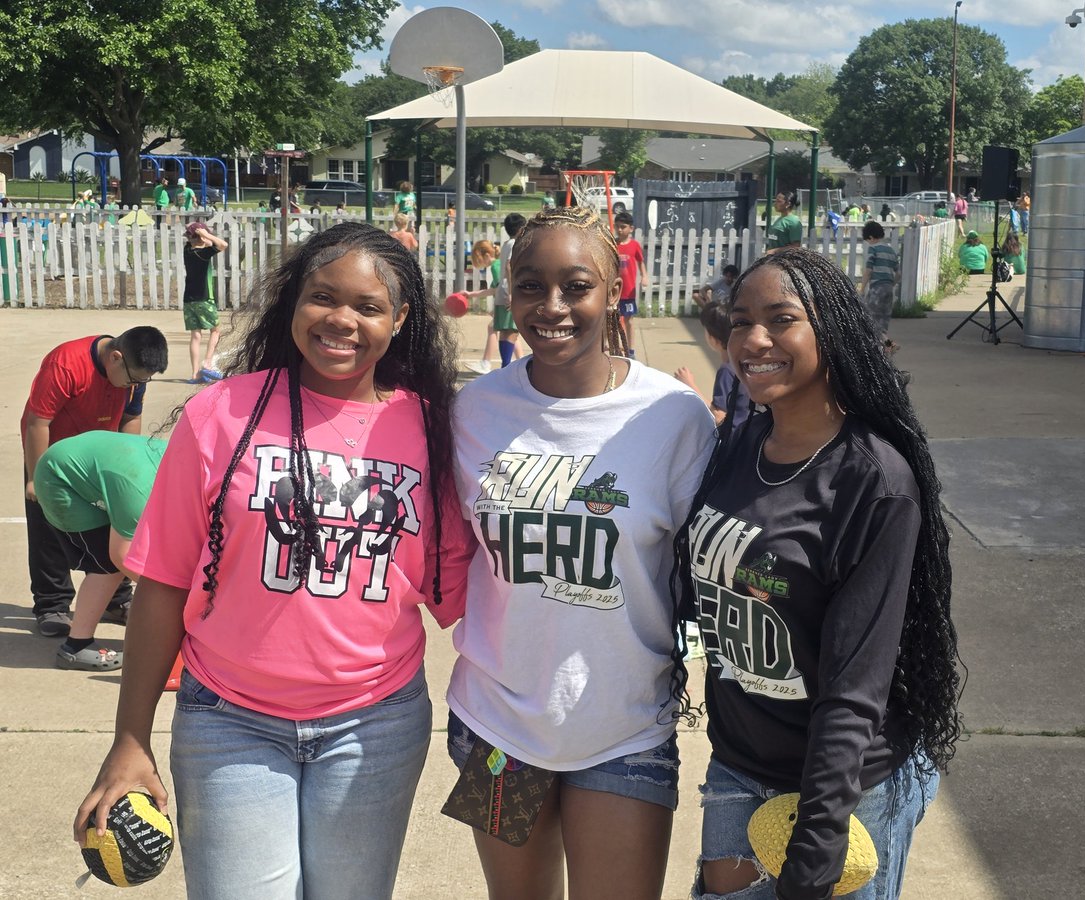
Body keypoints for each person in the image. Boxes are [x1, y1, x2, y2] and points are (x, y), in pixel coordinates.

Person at [73, 222, 473, 899]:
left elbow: (469, 590)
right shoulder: (219, 413)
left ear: (401, 319)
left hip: (375, 725)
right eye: (323, 297)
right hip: (228, 720)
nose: (341, 320)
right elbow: (163, 584)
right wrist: (130, 739)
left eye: (368, 306)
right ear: (294, 300)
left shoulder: (432, 430)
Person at [447, 205, 715, 900]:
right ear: (510, 292)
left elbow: (704, 562)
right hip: (497, 728)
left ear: (614, 290)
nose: (553, 306)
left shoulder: (673, 417)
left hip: (625, 728)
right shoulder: (472, 412)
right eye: (531, 286)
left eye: (576, 286)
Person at [680, 246, 962, 900]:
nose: (754, 340)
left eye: (782, 320)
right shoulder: (741, 445)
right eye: (741, 321)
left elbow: (855, 688)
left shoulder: (874, 483)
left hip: (846, 785)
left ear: (830, 332)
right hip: (740, 765)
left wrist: (815, 850)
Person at [22, 327, 169, 637]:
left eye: (143, 381)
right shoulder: (66, 363)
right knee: (47, 531)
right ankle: (52, 605)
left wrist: (128, 467)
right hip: (53, 460)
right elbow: (37, 422)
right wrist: (35, 478)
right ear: (115, 358)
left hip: (101, 463)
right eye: (133, 379)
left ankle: (116, 600)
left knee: (120, 528)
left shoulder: (132, 375)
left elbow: (131, 418)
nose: (136, 386)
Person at [34, 431, 168, 671]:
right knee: (106, 566)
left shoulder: (175, 466)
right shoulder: (138, 490)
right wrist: (170, 593)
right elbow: (122, 556)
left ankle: (111, 607)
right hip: (59, 479)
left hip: (99, 465)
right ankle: (76, 647)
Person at [674, 300, 752, 429]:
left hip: (734, 437)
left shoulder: (727, 371)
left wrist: (690, 385)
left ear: (713, 338)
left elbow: (719, 415)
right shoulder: (744, 363)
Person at [467, 213, 526, 373]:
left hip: (502, 292)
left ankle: (508, 365)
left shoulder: (506, 244)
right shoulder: (514, 244)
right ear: (521, 229)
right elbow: (509, 266)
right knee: (510, 330)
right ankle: (506, 366)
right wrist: (512, 293)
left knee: (507, 331)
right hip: (508, 291)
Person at [182, 221, 228, 384]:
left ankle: (195, 374)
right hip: (204, 299)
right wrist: (206, 234)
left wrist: (198, 233)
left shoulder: (187, 250)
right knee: (215, 330)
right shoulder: (204, 254)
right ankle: (207, 363)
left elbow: (206, 243)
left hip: (189, 300)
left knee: (195, 335)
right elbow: (222, 244)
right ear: (201, 237)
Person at [859, 220, 900, 352]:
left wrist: (862, 288)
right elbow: (898, 273)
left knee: (870, 318)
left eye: (867, 240)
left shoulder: (873, 249)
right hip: (889, 289)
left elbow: (868, 270)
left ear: (870, 237)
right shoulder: (891, 251)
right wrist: (891, 284)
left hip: (877, 289)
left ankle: (888, 344)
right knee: (883, 320)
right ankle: (884, 347)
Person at [612, 210, 647, 358]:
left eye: (623, 227)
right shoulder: (613, 244)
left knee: (629, 321)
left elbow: (640, 262)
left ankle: (631, 351)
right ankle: (616, 348)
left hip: (628, 291)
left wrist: (644, 276)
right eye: (617, 226)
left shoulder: (634, 245)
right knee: (614, 321)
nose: (620, 230)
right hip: (614, 291)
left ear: (631, 228)